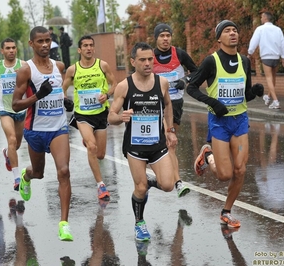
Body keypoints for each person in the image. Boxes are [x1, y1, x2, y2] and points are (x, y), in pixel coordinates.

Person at [186, 20, 264, 228]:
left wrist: (254, 92)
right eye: (227, 31)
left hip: (240, 121)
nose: (233, 33)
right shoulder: (211, 62)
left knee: (240, 170)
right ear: (219, 38)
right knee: (224, 175)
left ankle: (226, 211)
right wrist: (213, 102)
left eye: (235, 30)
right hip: (219, 122)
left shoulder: (245, 61)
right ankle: (207, 155)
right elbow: (191, 88)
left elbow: (245, 94)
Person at [108, 42, 178, 241]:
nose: (148, 63)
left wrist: (171, 130)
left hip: (157, 144)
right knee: (140, 188)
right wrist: (121, 117)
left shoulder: (161, 82)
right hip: (135, 146)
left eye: (150, 59)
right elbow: (110, 116)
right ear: (133, 61)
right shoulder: (124, 86)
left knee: (168, 185)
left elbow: (168, 105)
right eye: (143, 60)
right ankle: (139, 223)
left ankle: (146, 182)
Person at [12, 26, 73, 241]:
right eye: (40, 41)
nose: (45, 44)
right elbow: (16, 105)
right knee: (39, 172)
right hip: (36, 130)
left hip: (58, 128)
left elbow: (60, 91)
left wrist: (65, 101)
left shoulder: (59, 66)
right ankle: (26, 176)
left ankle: (64, 224)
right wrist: (38, 96)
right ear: (31, 44)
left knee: (64, 171)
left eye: (48, 40)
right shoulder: (26, 70)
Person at [62, 35, 117, 200]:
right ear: (79, 49)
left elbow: (114, 84)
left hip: (100, 114)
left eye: (91, 45)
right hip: (82, 115)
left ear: (94, 48)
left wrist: (106, 95)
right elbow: (62, 88)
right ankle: (101, 185)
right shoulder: (73, 70)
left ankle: (88, 140)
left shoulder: (102, 66)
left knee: (100, 154)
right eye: (85, 45)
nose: (88, 48)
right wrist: (66, 100)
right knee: (92, 148)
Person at [152, 23, 197, 198]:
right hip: (157, 105)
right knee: (167, 142)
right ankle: (178, 182)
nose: (165, 39)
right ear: (156, 38)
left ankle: (167, 177)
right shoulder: (150, 56)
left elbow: (196, 71)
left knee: (170, 143)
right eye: (162, 35)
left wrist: (185, 81)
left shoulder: (179, 54)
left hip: (175, 104)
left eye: (168, 35)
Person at [0, 38, 27, 191]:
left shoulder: (23, 65)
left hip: (20, 108)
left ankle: (7, 153)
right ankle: (17, 178)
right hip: (4, 108)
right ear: (2, 51)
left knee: (16, 144)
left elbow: (30, 82)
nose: (11, 50)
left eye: (13, 48)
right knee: (11, 139)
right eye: (8, 48)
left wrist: (23, 76)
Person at [247, 11, 284, 109]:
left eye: (261, 17)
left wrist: (250, 53)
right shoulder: (278, 29)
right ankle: (268, 97)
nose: (261, 19)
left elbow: (254, 41)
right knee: (273, 78)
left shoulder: (260, 29)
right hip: (276, 56)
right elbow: (283, 43)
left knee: (269, 78)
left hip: (266, 56)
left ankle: (276, 101)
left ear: (265, 18)